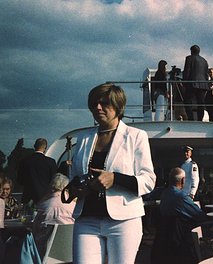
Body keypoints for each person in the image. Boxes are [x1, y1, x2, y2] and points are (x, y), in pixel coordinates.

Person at [69, 83, 156, 263]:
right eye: (94, 104)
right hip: (87, 219)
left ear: (118, 105)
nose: (97, 107)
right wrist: (76, 189)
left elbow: (148, 180)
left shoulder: (136, 136)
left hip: (123, 221)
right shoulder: (84, 139)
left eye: (103, 103)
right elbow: (74, 177)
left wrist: (114, 178)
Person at [151, 167, 206, 264]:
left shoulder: (164, 194)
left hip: (162, 243)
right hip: (180, 244)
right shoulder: (181, 197)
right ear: (183, 180)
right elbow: (200, 216)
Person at [32, 173, 76, 258]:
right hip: (70, 251)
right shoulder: (74, 206)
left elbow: (35, 230)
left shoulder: (44, 206)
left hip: (45, 253)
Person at [17, 138, 58, 205]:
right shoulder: (50, 162)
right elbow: (54, 180)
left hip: (28, 197)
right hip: (45, 197)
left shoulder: (24, 161)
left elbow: (20, 180)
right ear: (45, 148)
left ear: (34, 146)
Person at [183, 44, 209, 121]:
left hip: (192, 83)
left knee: (187, 101)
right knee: (201, 103)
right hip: (203, 85)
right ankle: (200, 119)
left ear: (191, 51)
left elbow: (187, 71)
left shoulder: (189, 58)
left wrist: (184, 82)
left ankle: (191, 118)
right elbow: (206, 74)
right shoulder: (204, 61)